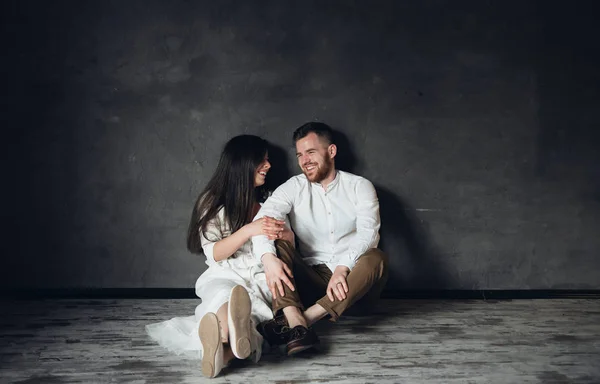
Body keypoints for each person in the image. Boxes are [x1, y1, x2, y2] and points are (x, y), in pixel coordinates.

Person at [146, 134, 292, 378]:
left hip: (259, 274)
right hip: (226, 270)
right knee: (223, 296)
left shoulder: (270, 199)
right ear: (243, 163)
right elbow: (214, 253)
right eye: (262, 160)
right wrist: (248, 230)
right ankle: (228, 337)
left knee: (254, 313)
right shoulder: (212, 202)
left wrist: (284, 235)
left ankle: (220, 350)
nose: (268, 166)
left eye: (268, 160)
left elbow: (288, 241)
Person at [251, 122, 389, 355]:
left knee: (376, 257)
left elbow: (369, 233)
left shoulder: (360, 187)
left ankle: (301, 321)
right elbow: (264, 220)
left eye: (311, 152)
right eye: (300, 155)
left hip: (355, 287)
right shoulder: (293, 187)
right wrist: (267, 259)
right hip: (310, 281)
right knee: (276, 244)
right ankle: (297, 320)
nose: (305, 160)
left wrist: (343, 268)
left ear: (331, 151)